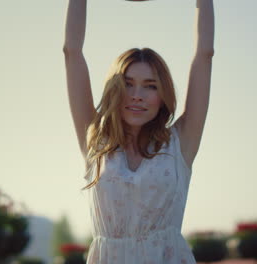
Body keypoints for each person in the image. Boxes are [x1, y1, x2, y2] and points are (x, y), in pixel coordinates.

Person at [63, 0, 214, 263]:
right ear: (115, 90)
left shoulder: (180, 143)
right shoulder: (95, 140)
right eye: (128, 84)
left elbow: (205, 54)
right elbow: (71, 52)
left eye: (150, 86)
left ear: (162, 94)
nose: (137, 96)